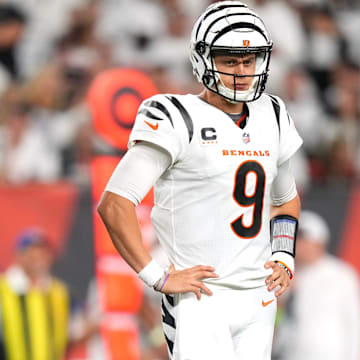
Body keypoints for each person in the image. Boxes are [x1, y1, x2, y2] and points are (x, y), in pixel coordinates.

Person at [97, 2, 303, 359]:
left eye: (249, 60)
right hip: (200, 296)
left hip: (259, 296)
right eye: (229, 61)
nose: (241, 71)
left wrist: (284, 256)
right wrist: (157, 277)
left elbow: (285, 199)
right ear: (202, 59)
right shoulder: (177, 117)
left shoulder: (272, 113)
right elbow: (114, 203)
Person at [273, 210, 360, 360]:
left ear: (320, 242)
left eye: (304, 239)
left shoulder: (341, 274)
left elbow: (355, 322)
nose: (299, 245)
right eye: (296, 239)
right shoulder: (284, 275)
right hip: (291, 355)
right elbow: (278, 323)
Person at [0, 227, 70, 360]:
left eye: (43, 252)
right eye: (33, 252)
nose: (39, 258)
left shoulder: (58, 292)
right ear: (19, 255)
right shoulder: (4, 289)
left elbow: (71, 332)